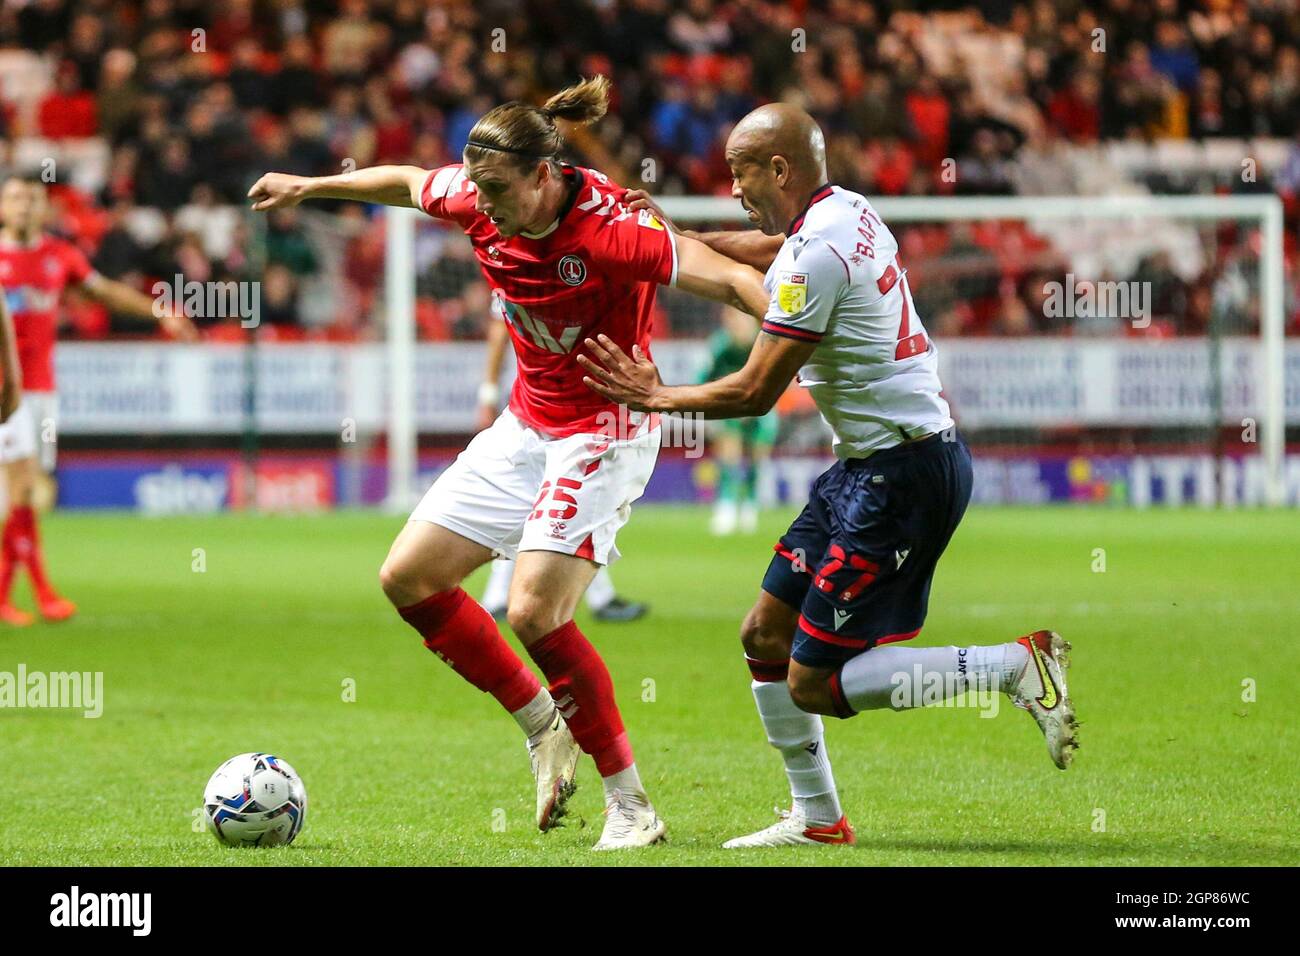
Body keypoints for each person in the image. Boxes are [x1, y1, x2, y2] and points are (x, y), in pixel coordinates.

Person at [248, 77, 770, 849]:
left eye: (498, 190)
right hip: (528, 424)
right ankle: (542, 725)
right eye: (478, 189)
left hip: (605, 427)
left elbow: (731, 278)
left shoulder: (610, 233)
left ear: (543, 175)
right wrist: (314, 185)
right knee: (408, 576)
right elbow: (404, 181)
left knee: (532, 610)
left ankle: (632, 806)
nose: (483, 205)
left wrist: (801, 343)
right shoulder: (478, 192)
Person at [583, 104, 1078, 849]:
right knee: (763, 634)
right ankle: (818, 819)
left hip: (904, 475)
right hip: (868, 468)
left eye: (740, 172)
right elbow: (767, 244)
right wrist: (679, 238)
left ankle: (1013, 665)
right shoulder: (843, 211)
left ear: (778, 168)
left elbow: (752, 392)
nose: (734, 188)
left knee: (814, 679)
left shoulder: (819, 256)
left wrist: (653, 395)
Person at [0, 176, 197, 626]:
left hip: (41, 389)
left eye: (32, 199)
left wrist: (159, 312)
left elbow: (104, 291)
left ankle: (14, 595)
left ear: (44, 208)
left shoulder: (59, 255)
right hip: (2, 390)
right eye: (14, 198)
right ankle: (41, 593)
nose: (23, 206)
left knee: (24, 494)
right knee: (24, 489)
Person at [475, 319, 648, 622]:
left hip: (569, 401)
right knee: (544, 502)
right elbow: (499, 328)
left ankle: (500, 596)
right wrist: (488, 392)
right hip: (536, 403)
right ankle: (597, 598)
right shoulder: (517, 277)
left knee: (552, 505)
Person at [700, 305, 779, 535]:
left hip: (763, 407)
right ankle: (726, 505)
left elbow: (775, 377)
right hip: (730, 409)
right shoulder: (720, 346)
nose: (735, 324)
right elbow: (703, 378)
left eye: (740, 319)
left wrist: (755, 403)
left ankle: (750, 506)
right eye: (731, 319)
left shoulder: (763, 343)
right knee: (729, 455)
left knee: (757, 458)